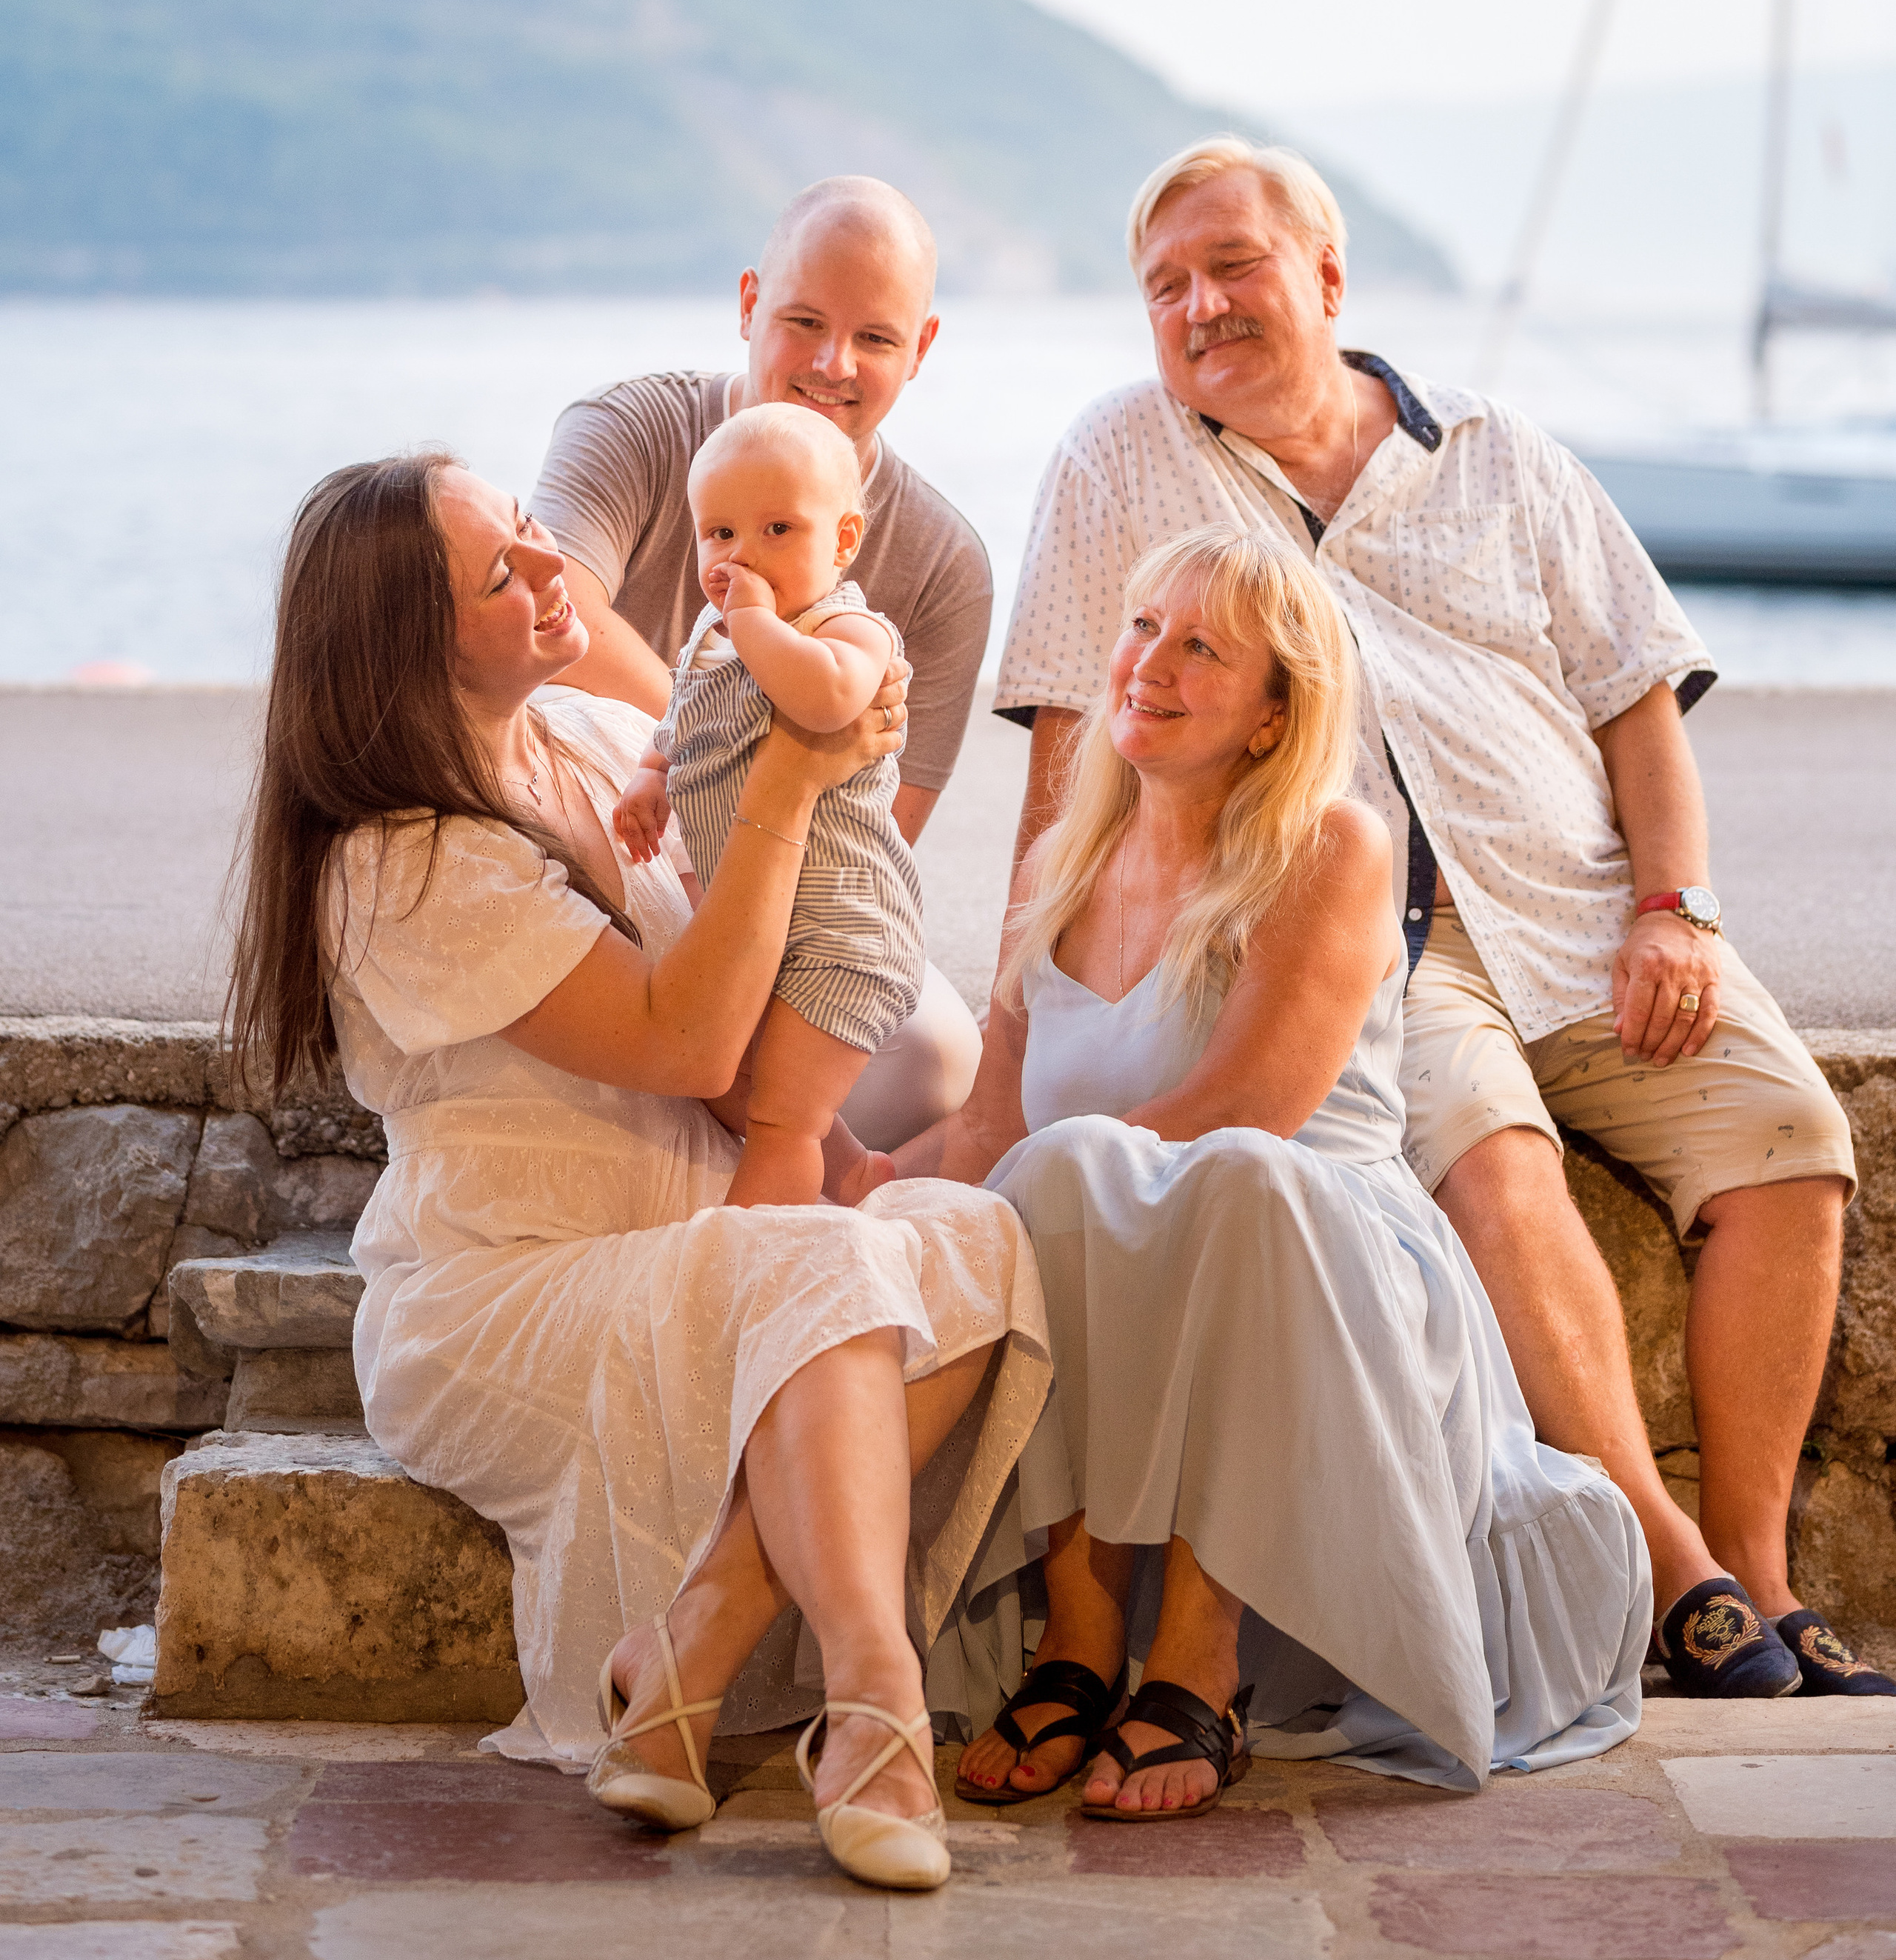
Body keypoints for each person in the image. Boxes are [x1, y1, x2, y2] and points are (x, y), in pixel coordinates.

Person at [994, 133, 1885, 1702]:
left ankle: (1761, 1570)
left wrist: (1675, 910)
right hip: (1357, 944)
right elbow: (1076, 738)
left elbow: (1633, 704)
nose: (1198, 307)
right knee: (1488, 1157)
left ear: (1325, 277)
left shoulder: (1495, 451)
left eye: (1231, 267)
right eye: (1163, 287)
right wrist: (1028, 981)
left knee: (1792, 1143)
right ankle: (1671, 1568)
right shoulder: (1114, 460)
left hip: (1584, 908)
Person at [227, 453, 1049, 1890]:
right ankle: (876, 1705)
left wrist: (844, 1152)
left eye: (536, 536)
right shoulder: (391, 864)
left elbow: (748, 1058)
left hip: (716, 1240)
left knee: (970, 1235)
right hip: (502, 1298)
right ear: (406, 648)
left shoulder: (596, 741)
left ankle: (686, 1650)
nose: (557, 574)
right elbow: (685, 1037)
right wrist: (796, 777)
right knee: (817, 1262)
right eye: (504, 575)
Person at [898, 525, 1646, 1805]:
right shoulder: (1056, 868)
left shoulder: (1336, 846)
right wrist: (844, 1177)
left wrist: (1057, 1167)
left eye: (1202, 649)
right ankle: (1082, 1645)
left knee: (1220, 1179)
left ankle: (1201, 1661)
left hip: (1327, 1255)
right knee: (1056, 1184)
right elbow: (989, 1133)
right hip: (1137, 1254)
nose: (1150, 664)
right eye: (1143, 629)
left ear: (1271, 716)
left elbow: (1248, 1106)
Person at [530, 173, 990, 1149]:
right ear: (748, 303)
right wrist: (727, 735)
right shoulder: (637, 431)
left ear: (924, 348)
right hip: (604, 843)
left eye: (876, 338)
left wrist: (743, 869)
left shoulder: (946, 565)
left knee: (935, 1052)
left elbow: (883, 828)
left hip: (791, 889)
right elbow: (550, 617)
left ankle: (770, 1180)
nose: (834, 363)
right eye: (804, 321)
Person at [618, 404, 924, 1207]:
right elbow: (683, 714)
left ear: (844, 541)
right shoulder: (715, 639)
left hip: (841, 931)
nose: (740, 556)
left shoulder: (848, 629)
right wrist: (652, 774)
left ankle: (753, 1266)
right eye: (719, 535)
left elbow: (828, 705)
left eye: (778, 530)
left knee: (783, 1118)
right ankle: (856, 1173)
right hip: (764, 926)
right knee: (734, 1081)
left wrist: (753, 619)